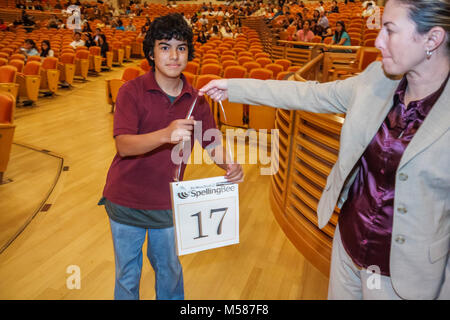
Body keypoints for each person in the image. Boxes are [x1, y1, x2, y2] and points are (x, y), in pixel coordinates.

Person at [199, 0, 450, 300]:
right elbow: (309, 93)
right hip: (347, 245)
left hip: (404, 277)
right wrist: (234, 88)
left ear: (432, 39)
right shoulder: (377, 79)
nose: (378, 40)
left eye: (390, 30)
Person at [99, 13, 243, 300]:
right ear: (151, 53)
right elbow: (124, 146)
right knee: (127, 276)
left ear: (189, 52)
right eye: (165, 47)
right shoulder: (131, 91)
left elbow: (211, 142)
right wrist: (166, 134)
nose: (174, 55)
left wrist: (230, 164)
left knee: (169, 271)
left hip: (168, 202)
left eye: (181, 47)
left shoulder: (196, 99)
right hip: (125, 200)